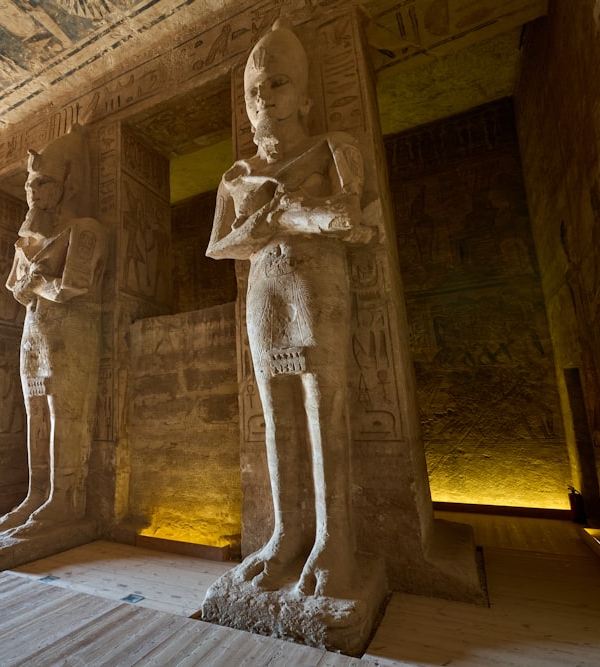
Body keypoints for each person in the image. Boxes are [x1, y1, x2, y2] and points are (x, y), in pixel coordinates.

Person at [206, 21, 374, 598]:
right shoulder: (236, 175)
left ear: (303, 96)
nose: (263, 98)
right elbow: (221, 245)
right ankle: (287, 533)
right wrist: (270, 219)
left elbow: (361, 220)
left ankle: (335, 540)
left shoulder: (333, 147)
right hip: (263, 287)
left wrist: (313, 210)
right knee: (276, 410)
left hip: (316, 281)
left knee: (324, 409)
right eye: (254, 91)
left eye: (276, 84)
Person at [0, 127, 107, 538]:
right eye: (31, 183)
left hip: (71, 331)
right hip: (34, 330)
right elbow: (16, 289)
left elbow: (71, 287)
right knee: (34, 410)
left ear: (69, 186)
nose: (34, 191)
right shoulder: (26, 241)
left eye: (44, 182)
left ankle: (64, 498)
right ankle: (37, 494)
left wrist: (35, 282)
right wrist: (34, 281)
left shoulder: (84, 229)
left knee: (64, 415)